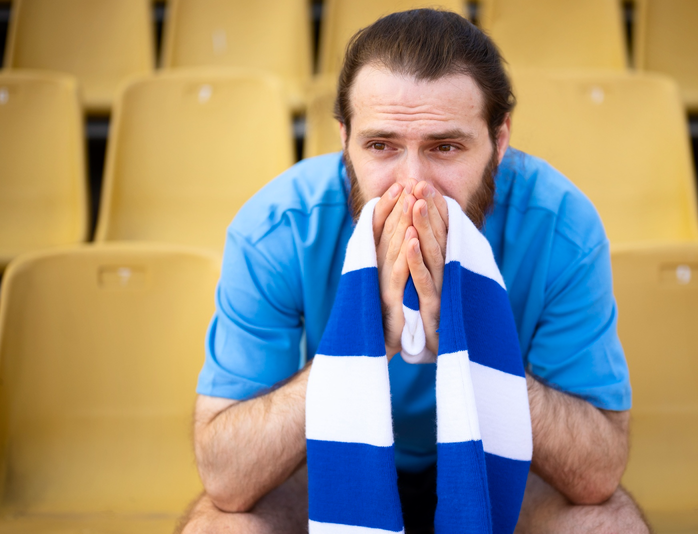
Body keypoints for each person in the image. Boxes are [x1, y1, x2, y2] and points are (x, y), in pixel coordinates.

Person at [180, 9, 649, 534]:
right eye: (381, 146)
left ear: (499, 140)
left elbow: (599, 472)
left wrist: (473, 342)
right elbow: (226, 477)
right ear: (344, 140)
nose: (413, 185)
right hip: (334, 456)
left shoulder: (563, 227)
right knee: (221, 526)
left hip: (502, 459)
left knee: (606, 523)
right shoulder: (277, 229)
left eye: (445, 147)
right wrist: (361, 339)